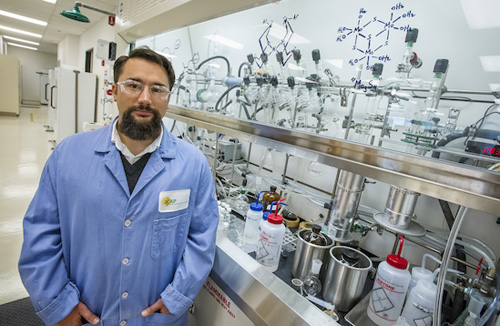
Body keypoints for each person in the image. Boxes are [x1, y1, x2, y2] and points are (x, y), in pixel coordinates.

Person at [18, 47, 219, 326]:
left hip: (156, 319)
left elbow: (202, 238)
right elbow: (41, 234)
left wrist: (177, 298)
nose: (145, 98)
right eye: (133, 85)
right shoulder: (68, 155)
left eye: (158, 89)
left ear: (168, 100)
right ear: (113, 91)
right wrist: (58, 305)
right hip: (88, 317)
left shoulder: (193, 165)